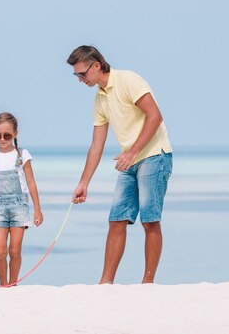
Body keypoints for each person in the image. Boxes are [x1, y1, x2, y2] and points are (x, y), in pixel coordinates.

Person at [67, 45, 173, 284]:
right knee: (116, 219)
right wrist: (84, 183)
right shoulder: (100, 99)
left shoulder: (128, 80)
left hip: (154, 155)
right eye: (76, 76)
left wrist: (133, 151)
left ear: (96, 66)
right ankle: (106, 282)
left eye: (82, 74)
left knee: (150, 220)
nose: (80, 80)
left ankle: (148, 282)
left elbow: (155, 116)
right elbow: (96, 144)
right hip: (130, 160)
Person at [0, 112, 43, 286]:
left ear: (15, 133)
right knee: (0, 251)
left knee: (14, 250)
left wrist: (37, 209)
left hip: (19, 206)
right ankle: (3, 285)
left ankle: (13, 283)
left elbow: (31, 182)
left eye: (7, 135)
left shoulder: (22, 154)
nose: (2, 139)